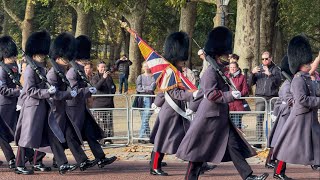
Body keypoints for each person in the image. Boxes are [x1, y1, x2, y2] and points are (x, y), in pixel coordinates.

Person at [176, 26, 269, 180]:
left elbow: (226, 70)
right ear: (218, 54)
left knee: (233, 146)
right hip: (209, 118)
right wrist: (230, 95)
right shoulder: (210, 73)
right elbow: (211, 94)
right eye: (225, 55)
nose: (227, 57)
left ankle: (248, 176)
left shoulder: (219, 69)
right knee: (198, 153)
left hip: (220, 117)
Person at [48, 32, 98, 174]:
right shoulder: (53, 73)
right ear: (58, 57)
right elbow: (54, 94)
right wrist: (70, 93)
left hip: (63, 109)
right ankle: (32, 159)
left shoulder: (62, 70)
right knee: (55, 137)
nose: (67, 60)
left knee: (68, 136)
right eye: (65, 57)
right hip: (55, 110)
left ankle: (80, 161)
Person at [272, 35, 320, 179]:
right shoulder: (298, 80)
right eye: (308, 63)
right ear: (301, 64)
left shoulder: (306, 78)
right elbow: (302, 100)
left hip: (309, 118)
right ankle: (278, 172)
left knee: (318, 142)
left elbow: (315, 90)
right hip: (299, 118)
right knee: (287, 147)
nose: (310, 65)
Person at [66, 35, 117, 169]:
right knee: (70, 136)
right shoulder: (72, 71)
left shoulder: (79, 69)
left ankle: (100, 158)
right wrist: (90, 90)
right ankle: (57, 159)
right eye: (84, 58)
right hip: (73, 108)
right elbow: (75, 91)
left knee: (90, 133)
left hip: (81, 107)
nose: (86, 61)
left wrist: (89, 90)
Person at [149, 31, 196, 176]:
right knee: (162, 140)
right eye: (182, 60)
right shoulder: (170, 72)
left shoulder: (175, 71)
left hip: (178, 111)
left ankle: (199, 162)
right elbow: (173, 93)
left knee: (191, 137)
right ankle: (154, 166)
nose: (184, 62)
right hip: (171, 111)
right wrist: (192, 94)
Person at [14, 31, 57, 175]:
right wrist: (47, 92)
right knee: (26, 137)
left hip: (41, 106)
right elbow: (30, 91)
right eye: (41, 54)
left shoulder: (41, 69)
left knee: (41, 135)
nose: (43, 56)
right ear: (34, 54)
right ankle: (19, 164)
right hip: (32, 107)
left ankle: (36, 161)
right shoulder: (30, 71)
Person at [248, 51, 282, 148]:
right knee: (259, 119)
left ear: (271, 58)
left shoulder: (276, 69)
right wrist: (252, 73)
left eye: (266, 59)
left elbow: (278, 83)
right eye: (262, 59)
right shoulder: (258, 69)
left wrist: (270, 75)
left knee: (273, 120)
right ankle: (258, 142)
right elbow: (249, 84)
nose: (264, 61)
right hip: (260, 97)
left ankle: (273, 142)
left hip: (272, 97)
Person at [265, 55, 293, 170]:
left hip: (286, 114)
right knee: (281, 142)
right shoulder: (287, 85)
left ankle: (272, 163)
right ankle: (277, 169)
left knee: (279, 141)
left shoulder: (290, 82)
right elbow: (288, 100)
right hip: (286, 115)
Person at [0, 35, 21, 169]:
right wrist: (17, 92)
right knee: (12, 131)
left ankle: (14, 158)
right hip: (7, 104)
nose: (13, 59)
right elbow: (3, 89)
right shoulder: (6, 69)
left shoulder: (9, 68)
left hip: (8, 104)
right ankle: (17, 157)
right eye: (11, 56)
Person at [91, 61, 116, 143]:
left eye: (104, 67)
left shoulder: (109, 77)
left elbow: (112, 86)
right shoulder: (95, 77)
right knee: (100, 123)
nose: (103, 69)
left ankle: (108, 138)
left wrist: (112, 90)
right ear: (98, 68)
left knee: (108, 122)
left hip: (108, 103)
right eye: (101, 67)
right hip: (99, 104)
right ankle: (101, 139)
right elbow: (96, 87)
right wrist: (103, 78)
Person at [136, 62, 156, 143]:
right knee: (144, 119)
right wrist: (146, 88)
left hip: (150, 99)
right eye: (145, 66)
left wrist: (144, 88)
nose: (146, 67)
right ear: (142, 67)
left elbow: (152, 87)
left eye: (147, 66)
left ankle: (140, 137)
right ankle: (149, 136)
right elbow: (138, 88)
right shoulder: (140, 77)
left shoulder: (153, 77)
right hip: (141, 99)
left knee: (145, 118)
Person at [226, 62, 249, 129]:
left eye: (234, 67)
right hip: (228, 105)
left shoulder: (242, 77)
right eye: (231, 67)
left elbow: (245, 90)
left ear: (237, 68)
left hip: (237, 105)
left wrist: (239, 94)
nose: (232, 69)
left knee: (236, 126)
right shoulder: (226, 77)